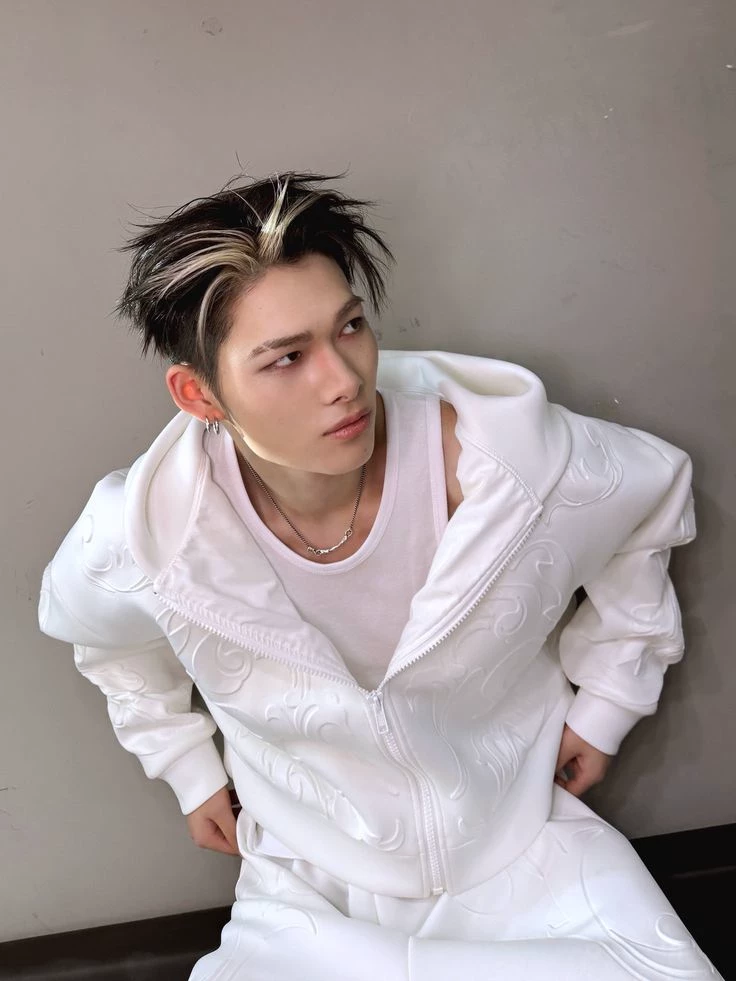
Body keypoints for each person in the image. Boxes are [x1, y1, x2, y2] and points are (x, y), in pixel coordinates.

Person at [39, 172, 721, 980]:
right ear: (200, 394)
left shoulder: (503, 469)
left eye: (351, 327)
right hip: (310, 884)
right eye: (286, 358)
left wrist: (610, 700)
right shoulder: (152, 537)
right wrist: (186, 765)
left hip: (525, 850)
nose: (344, 379)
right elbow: (106, 642)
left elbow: (649, 497)